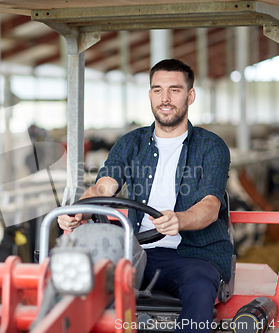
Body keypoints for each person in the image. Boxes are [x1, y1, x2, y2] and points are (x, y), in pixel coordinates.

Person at [58, 59, 232, 332]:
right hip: (135, 250)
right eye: (157, 89)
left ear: (191, 95)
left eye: (175, 90)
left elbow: (210, 204)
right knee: (84, 284)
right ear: (149, 94)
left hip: (193, 256)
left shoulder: (211, 146)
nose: (165, 98)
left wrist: (180, 219)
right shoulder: (131, 142)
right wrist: (79, 209)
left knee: (199, 286)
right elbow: (103, 188)